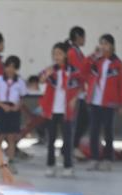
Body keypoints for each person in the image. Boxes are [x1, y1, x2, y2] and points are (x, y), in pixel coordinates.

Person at [86, 34, 122, 171]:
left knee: (108, 131)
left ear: (112, 46)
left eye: (106, 44)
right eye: (101, 44)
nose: (103, 47)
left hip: (109, 103)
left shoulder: (118, 64)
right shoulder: (96, 61)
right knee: (94, 131)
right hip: (95, 101)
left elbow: (121, 85)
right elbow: (83, 69)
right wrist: (93, 55)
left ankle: (108, 159)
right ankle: (94, 158)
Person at [41, 42, 82, 177]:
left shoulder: (73, 71)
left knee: (67, 140)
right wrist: (46, 75)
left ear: (65, 55)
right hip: (52, 110)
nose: (56, 57)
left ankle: (68, 166)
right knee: (51, 140)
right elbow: (41, 80)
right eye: (54, 54)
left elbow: (81, 85)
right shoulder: (51, 70)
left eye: (59, 54)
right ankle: (50, 165)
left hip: (66, 111)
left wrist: (74, 98)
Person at [0, 55, 26, 166]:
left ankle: (10, 160)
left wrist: (17, 106)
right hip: (1, 109)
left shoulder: (20, 82)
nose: (10, 69)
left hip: (14, 110)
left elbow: (22, 98)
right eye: (8, 66)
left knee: (11, 137)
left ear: (17, 69)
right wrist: (2, 105)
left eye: (13, 67)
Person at [65, 26, 90, 157]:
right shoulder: (72, 52)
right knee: (79, 120)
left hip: (79, 91)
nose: (85, 39)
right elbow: (80, 71)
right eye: (83, 37)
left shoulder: (77, 51)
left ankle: (71, 146)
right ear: (78, 37)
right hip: (74, 92)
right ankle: (71, 147)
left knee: (82, 119)